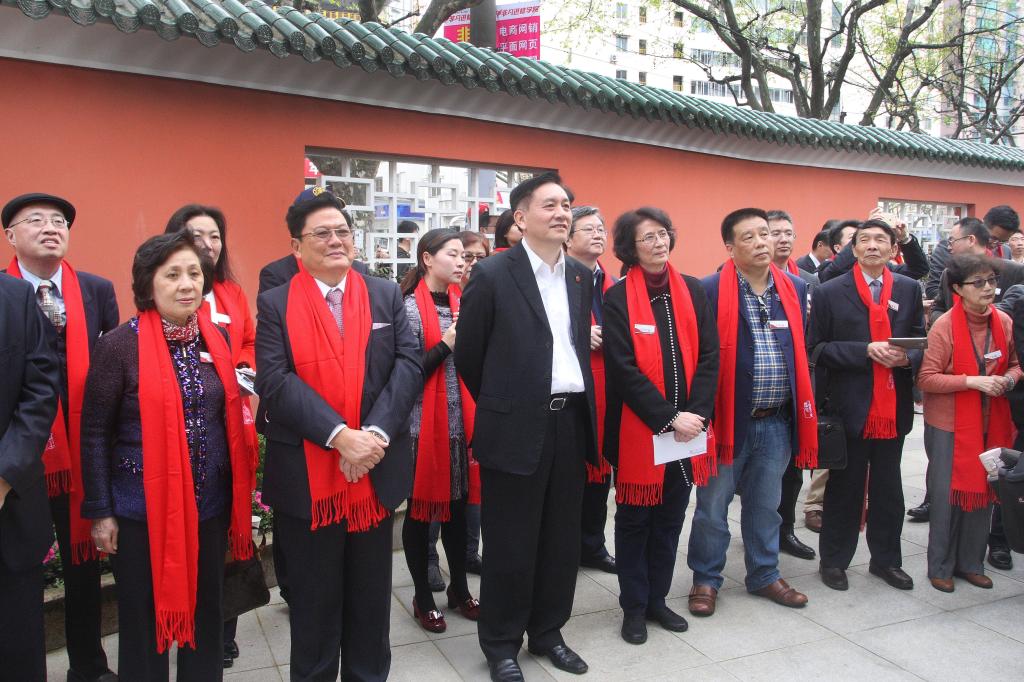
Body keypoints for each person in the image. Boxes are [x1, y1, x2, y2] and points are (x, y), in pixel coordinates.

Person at [255, 188, 421, 681]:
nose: (335, 240)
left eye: (343, 231)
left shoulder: (384, 293)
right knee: (314, 604)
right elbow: (274, 380)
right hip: (308, 480)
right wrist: (338, 436)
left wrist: (372, 435)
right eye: (322, 233)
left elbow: (409, 364)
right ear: (296, 246)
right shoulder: (275, 303)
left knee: (371, 602)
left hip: (374, 469)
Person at [81, 231, 255, 681]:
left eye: (194, 273)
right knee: (142, 620)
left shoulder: (216, 338)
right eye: (172, 275)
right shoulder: (119, 346)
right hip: (139, 511)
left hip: (209, 506)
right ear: (148, 283)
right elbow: (95, 431)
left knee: (207, 614)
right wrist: (101, 511)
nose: (186, 285)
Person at [455, 172, 598, 682]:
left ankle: (548, 632)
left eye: (566, 205)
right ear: (520, 217)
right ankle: (500, 644)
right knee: (511, 543)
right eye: (549, 205)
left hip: (570, 422)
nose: (562, 213)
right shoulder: (493, 274)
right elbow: (470, 355)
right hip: (515, 426)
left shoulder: (580, 276)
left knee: (561, 541)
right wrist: (507, 404)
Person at [2, 193, 119, 682]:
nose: (50, 227)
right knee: (20, 571)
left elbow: (113, 365)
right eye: (35, 220)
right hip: (22, 457)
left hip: (84, 449)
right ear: (10, 235)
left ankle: (89, 666)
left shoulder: (95, 290)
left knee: (84, 564)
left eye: (59, 221)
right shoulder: (7, 295)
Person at [687, 208, 815, 617]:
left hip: (776, 420)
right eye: (750, 237)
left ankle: (764, 573)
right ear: (730, 248)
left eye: (766, 234)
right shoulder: (708, 289)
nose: (762, 242)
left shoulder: (795, 287)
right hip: (726, 421)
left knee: (766, 504)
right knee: (713, 506)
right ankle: (706, 578)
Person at [601, 207, 718, 644]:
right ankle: (633, 607)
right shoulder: (617, 297)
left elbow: (710, 356)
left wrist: (696, 415)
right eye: (647, 237)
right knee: (635, 522)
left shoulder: (691, 288)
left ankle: (657, 600)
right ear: (630, 248)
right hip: (640, 430)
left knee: (670, 519)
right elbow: (623, 368)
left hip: (688, 432)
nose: (659, 242)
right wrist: (669, 417)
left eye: (663, 233)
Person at [163, 204, 259, 670]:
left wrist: (239, 367)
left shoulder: (232, 292)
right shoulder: (167, 289)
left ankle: (223, 631)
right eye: (196, 234)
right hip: (184, 429)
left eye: (215, 235)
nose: (208, 243)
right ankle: (185, 625)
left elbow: (249, 342)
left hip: (231, 423)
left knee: (227, 530)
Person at [807, 219, 925, 592]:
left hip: (893, 409)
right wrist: (865, 351)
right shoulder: (829, 291)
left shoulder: (908, 288)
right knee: (845, 488)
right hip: (849, 407)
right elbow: (816, 349)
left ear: (893, 248)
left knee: (889, 490)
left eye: (880, 239)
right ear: (853, 248)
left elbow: (919, 341)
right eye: (864, 240)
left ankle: (886, 561)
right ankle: (834, 561)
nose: (872, 245)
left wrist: (906, 358)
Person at [918, 254, 1020, 592]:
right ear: (958, 289)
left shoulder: (1003, 321)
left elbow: (1016, 364)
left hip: (993, 421)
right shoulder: (945, 325)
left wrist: (1008, 379)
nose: (988, 288)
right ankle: (941, 566)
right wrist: (972, 382)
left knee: (985, 492)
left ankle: (971, 563)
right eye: (979, 282)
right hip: (950, 424)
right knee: (948, 496)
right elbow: (927, 378)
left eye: (992, 280)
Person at [399, 229, 480, 633]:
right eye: (453, 254)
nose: (462, 261)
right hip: (422, 428)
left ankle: (459, 589)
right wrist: (448, 343)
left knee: (460, 513)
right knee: (421, 514)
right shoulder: (408, 309)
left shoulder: (466, 303)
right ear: (427, 259)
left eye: (465, 255)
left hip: (463, 425)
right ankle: (423, 596)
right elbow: (405, 374)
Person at [0, 271, 60, 682]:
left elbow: (40, 390)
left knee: (18, 642)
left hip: (11, 504)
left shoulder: (16, 298)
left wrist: (5, 475)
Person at [764, 209, 818, 562]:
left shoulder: (808, 281)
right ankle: (759, 530)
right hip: (761, 388)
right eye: (775, 233)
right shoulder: (739, 278)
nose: (782, 239)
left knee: (793, 470)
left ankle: (785, 531)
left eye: (788, 233)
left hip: (798, 388)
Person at [566, 206, 617, 575]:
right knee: (569, 477)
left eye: (602, 229)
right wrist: (579, 335)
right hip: (569, 394)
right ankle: (563, 549)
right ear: (568, 239)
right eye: (589, 229)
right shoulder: (556, 279)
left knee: (601, 474)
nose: (598, 234)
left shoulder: (613, 284)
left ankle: (592, 545)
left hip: (607, 389)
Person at [928, 218, 1024, 324]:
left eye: (952, 241)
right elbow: (937, 308)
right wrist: (949, 323)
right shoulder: (949, 274)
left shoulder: (1014, 271)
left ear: (971, 240)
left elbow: (1015, 308)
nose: (949, 247)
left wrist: (971, 318)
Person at [818, 214, 928, 283]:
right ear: (837, 248)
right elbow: (834, 270)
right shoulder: (827, 268)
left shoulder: (885, 268)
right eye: (863, 238)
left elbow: (918, 269)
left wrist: (904, 239)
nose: (871, 245)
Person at [767, 210, 818, 285]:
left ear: (794, 237)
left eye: (788, 234)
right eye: (776, 234)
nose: (784, 240)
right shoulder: (754, 279)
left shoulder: (810, 281)